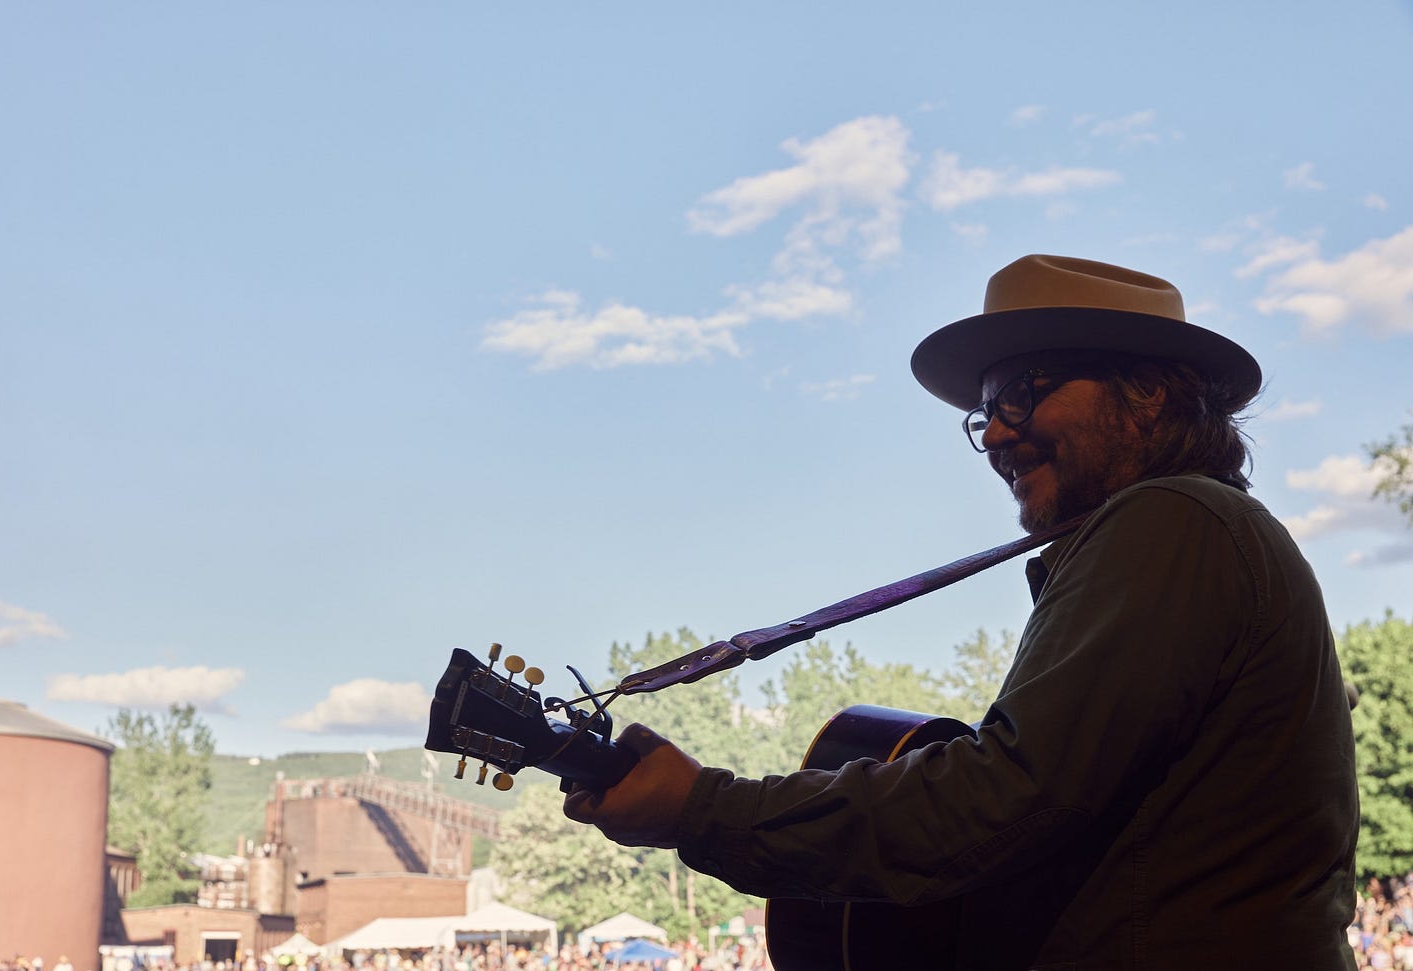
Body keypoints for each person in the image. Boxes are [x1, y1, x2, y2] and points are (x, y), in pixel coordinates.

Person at [563, 254, 1360, 968]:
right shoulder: (1204, 535)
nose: (1001, 435)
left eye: (1023, 393)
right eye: (985, 417)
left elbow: (1002, 796)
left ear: (1147, 392)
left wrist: (705, 808)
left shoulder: (1174, 518)